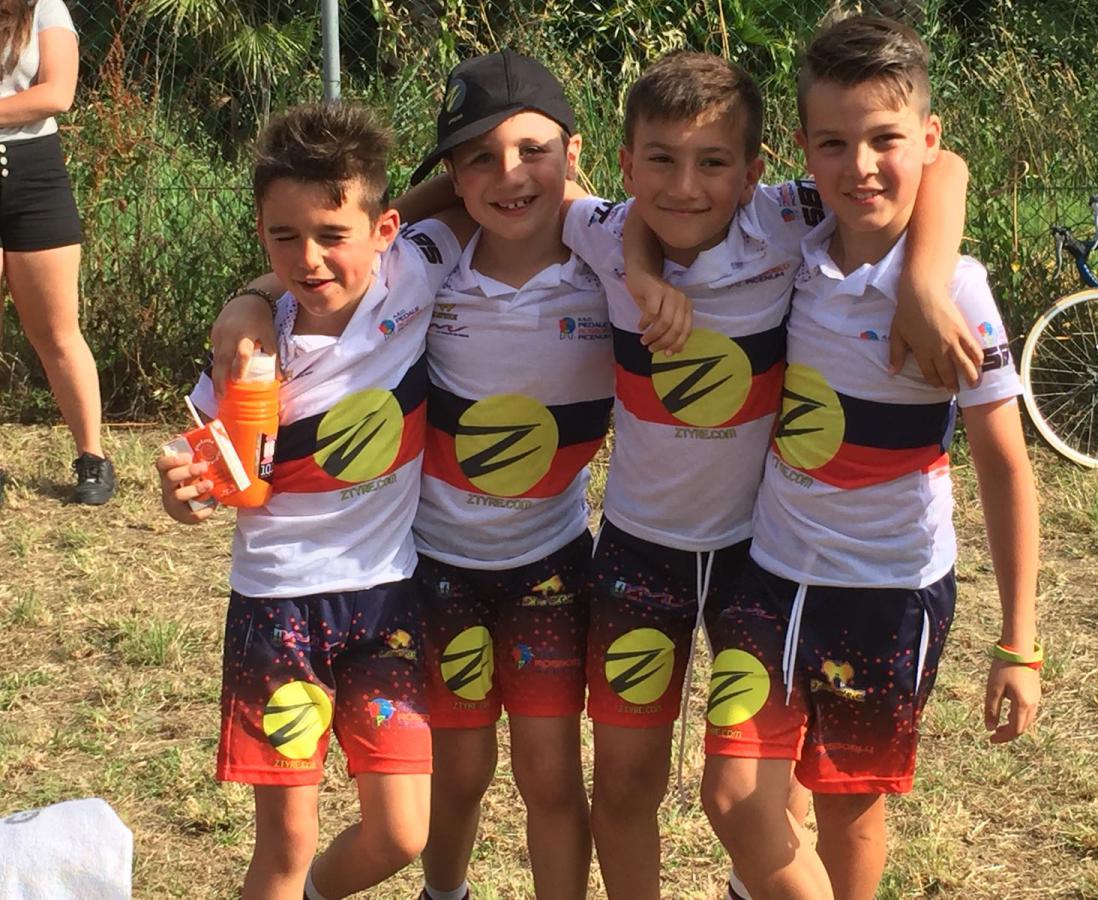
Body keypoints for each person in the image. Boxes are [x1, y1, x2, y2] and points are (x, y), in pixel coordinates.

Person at [558, 50, 977, 900]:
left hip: (760, 561)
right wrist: (640, 269)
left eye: (713, 162)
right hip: (638, 556)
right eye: (661, 161)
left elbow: (945, 165)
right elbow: (514, 189)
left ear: (753, 172)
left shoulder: (787, 217)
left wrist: (925, 279)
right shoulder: (603, 233)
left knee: (766, 789)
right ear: (627, 163)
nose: (685, 187)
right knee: (626, 785)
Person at [699, 17, 1041, 900]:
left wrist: (1021, 641)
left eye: (886, 140)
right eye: (833, 144)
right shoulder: (794, 244)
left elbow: (1005, 467)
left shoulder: (955, 289)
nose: (861, 167)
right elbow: (942, 167)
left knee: (846, 811)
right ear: (803, 152)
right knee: (735, 797)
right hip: (771, 574)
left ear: (926, 137)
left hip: (888, 592)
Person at [155, 103, 471, 900]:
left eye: (333, 234)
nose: (309, 258)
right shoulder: (251, 352)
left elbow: (465, 188)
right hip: (277, 609)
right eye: (284, 236)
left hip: (387, 602)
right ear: (261, 235)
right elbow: (202, 472)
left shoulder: (414, 273)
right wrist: (182, 493)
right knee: (286, 843)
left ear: (385, 229)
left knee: (402, 832)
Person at [404, 51, 612, 900]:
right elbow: (342, 251)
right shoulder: (426, 263)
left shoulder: (613, 263)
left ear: (572, 153)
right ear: (453, 177)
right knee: (458, 775)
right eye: (480, 159)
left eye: (533, 151)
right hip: (438, 568)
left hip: (549, 567)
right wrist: (248, 301)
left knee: (551, 777)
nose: (510, 175)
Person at [0, 0, 113, 504]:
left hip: (35, 175)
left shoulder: (45, 6)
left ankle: (93, 458)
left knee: (58, 332)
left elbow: (57, 93)